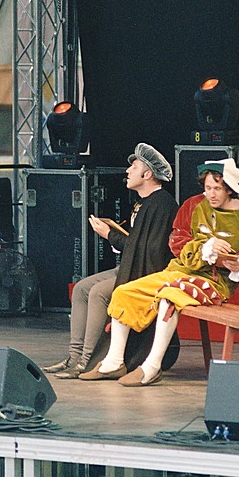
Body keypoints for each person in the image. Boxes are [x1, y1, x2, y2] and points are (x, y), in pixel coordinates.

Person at [80, 158, 239, 386]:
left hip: (215, 282)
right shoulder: (195, 205)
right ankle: (114, 362)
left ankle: (152, 367)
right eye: (207, 188)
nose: (211, 194)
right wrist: (205, 247)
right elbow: (178, 242)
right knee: (124, 292)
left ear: (230, 190)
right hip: (180, 271)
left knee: (169, 297)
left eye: (217, 189)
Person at [43, 143, 178, 378]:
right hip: (129, 266)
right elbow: (137, 242)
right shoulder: (143, 203)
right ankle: (74, 356)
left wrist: (110, 235)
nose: (128, 171)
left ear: (147, 174)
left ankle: (88, 360)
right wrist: (115, 235)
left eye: (134, 167)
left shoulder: (162, 204)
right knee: (82, 289)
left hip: (144, 273)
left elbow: (150, 251)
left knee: (98, 293)